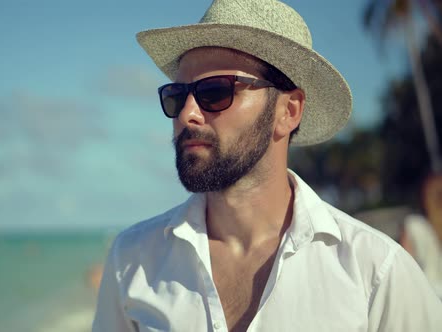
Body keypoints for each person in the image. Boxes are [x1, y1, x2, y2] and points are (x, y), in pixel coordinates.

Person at [92, 0, 442, 331]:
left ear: (288, 111)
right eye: (177, 96)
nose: (187, 114)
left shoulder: (377, 272)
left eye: (215, 92)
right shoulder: (132, 260)